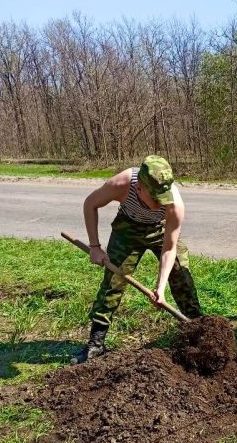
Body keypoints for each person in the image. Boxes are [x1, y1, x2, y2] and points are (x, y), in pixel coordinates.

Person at [72, 155, 202, 363]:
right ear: (139, 188)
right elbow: (90, 204)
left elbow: (169, 249)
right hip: (127, 229)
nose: (160, 204)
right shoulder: (121, 184)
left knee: (181, 276)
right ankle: (96, 344)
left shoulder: (175, 204)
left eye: (163, 198)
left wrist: (160, 288)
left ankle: (198, 333)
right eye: (155, 198)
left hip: (160, 230)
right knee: (113, 283)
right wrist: (95, 247)